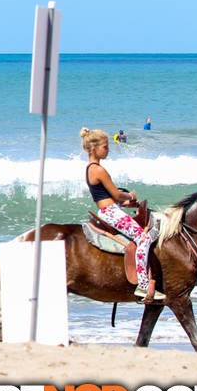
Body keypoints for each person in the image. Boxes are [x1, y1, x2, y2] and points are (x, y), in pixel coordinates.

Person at [80, 127, 161, 302]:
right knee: (144, 239)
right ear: (94, 148)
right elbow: (116, 194)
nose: (108, 150)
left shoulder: (90, 169)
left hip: (110, 209)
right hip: (110, 212)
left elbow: (108, 196)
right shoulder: (98, 170)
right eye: (105, 147)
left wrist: (124, 201)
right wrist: (131, 196)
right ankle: (143, 285)